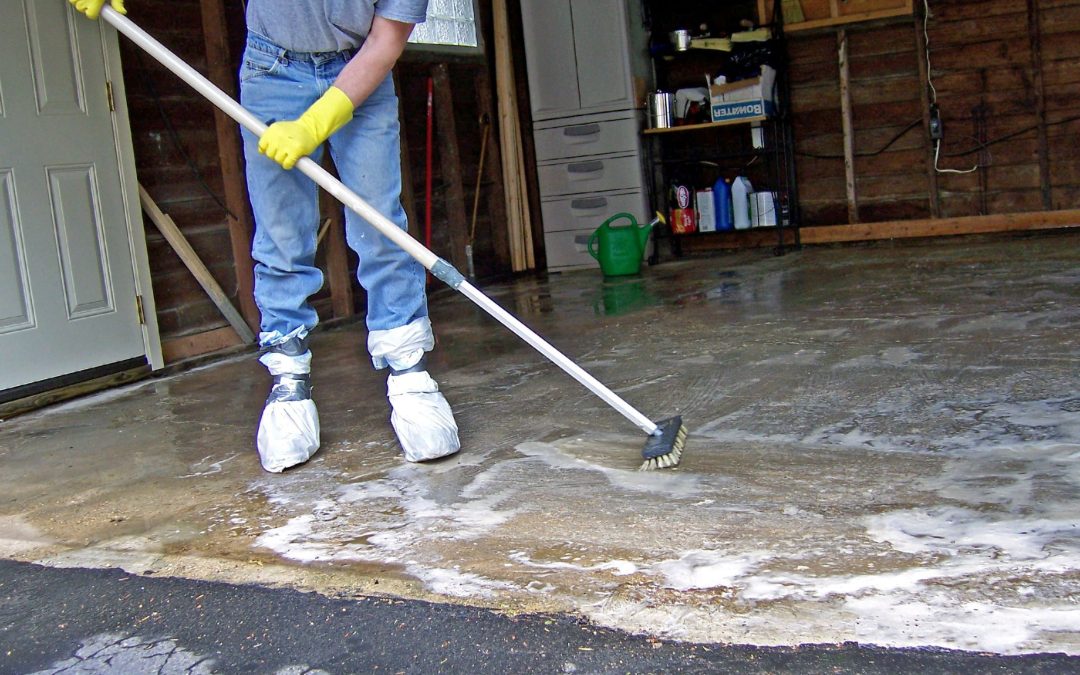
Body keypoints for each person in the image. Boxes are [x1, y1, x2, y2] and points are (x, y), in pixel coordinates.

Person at [70, 0, 460, 473]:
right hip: (272, 68)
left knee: (380, 227)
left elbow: (385, 42)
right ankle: (289, 381)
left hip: (362, 67)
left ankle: (409, 375)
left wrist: (315, 124)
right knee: (281, 233)